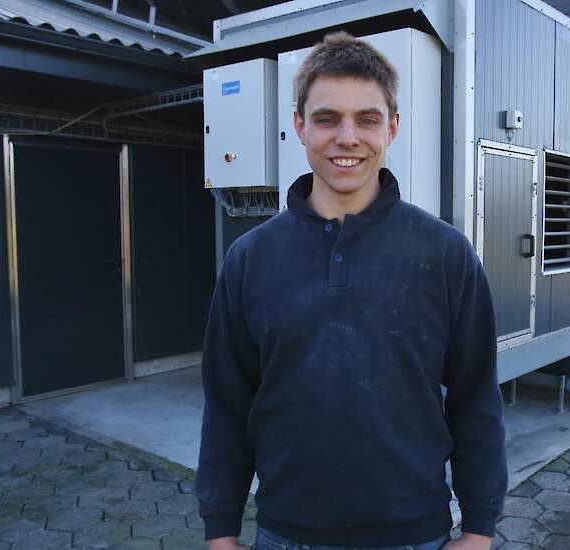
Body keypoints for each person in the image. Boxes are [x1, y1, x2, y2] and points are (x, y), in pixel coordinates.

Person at [196, 32, 507, 550]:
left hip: (414, 534)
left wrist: (479, 527)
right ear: (298, 125)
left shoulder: (447, 254)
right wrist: (221, 530)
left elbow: (477, 399)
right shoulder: (250, 259)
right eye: (326, 118)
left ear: (393, 128)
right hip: (285, 534)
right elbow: (228, 406)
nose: (347, 138)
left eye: (367, 119)